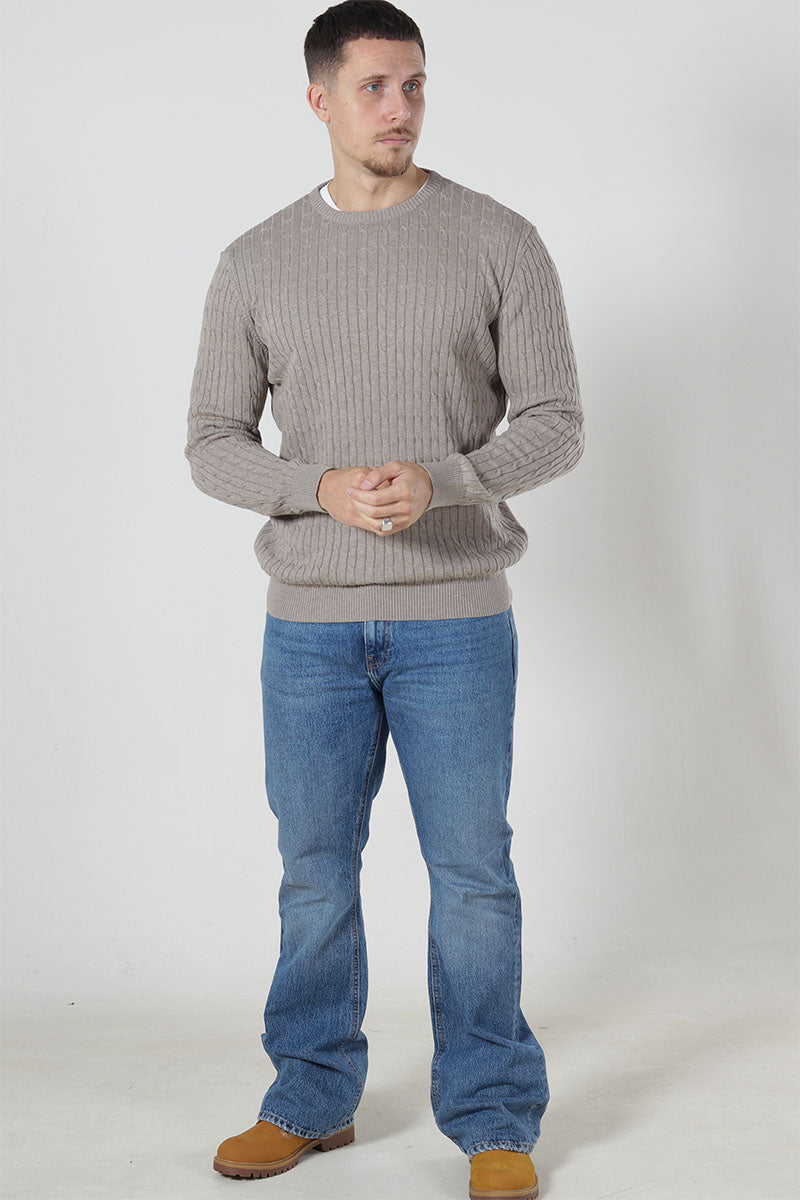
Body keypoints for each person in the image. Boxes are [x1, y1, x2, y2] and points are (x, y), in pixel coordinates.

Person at [185, 2, 584, 1196]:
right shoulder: (254, 261)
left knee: (472, 876)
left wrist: (444, 479)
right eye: (372, 87)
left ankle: (493, 1114)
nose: (398, 107)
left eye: (413, 84)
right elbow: (210, 441)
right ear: (319, 100)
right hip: (307, 630)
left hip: (455, 620)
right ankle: (310, 1098)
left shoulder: (497, 240)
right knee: (314, 873)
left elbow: (556, 422)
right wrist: (314, 486)